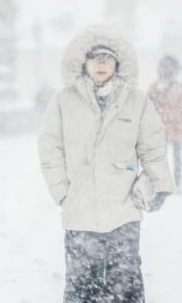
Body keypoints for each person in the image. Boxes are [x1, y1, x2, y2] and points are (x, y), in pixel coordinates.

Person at [38, 24, 174, 303]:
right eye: (95, 57)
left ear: (117, 63)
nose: (101, 64)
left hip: (123, 212)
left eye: (107, 58)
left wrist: (159, 184)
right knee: (81, 288)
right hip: (80, 213)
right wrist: (62, 191)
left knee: (125, 287)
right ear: (83, 63)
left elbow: (152, 148)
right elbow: (50, 147)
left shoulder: (137, 101)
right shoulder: (64, 101)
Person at [148, 55, 182, 193]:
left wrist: (176, 109)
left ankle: (177, 185)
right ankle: (163, 184)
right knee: (162, 158)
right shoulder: (156, 87)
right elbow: (148, 102)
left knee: (177, 159)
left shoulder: (180, 87)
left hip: (176, 128)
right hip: (162, 128)